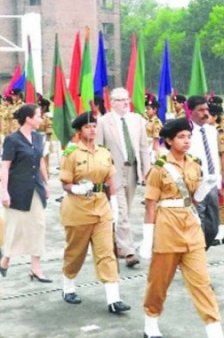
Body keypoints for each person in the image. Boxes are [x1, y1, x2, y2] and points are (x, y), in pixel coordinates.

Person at [140, 118, 224, 338]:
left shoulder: (195, 163)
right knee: (159, 283)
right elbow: (150, 205)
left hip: (191, 228)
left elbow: (194, 200)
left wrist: (205, 186)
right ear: (169, 140)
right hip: (167, 229)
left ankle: (215, 335)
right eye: (181, 137)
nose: (186, 141)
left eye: (188, 136)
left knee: (202, 283)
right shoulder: (159, 169)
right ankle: (151, 324)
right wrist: (147, 240)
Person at [58, 112, 130, 313]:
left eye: (94, 126)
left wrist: (114, 204)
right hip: (78, 210)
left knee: (107, 253)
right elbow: (65, 183)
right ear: (80, 131)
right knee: (75, 253)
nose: (92, 130)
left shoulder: (104, 152)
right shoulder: (71, 154)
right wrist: (75, 189)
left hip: (101, 209)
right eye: (88, 127)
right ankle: (68, 287)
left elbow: (110, 182)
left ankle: (113, 299)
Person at [96, 87, 151, 268]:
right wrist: (103, 175)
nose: (126, 102)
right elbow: (100, 150)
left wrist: (146, 171)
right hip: (114, 173)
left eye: (127, 99)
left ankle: (116, 243)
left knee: (125, 210)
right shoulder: (103, 122)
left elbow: (143, 147)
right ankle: (129, 251)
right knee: (121, 211)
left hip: (132, 170)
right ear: (111, 102)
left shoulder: (137, 120)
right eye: (120, 100)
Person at [0, 105, 49, 282]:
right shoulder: (12, 140)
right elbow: (4, 167)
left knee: (38, 226)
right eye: (38, 116)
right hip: (16, 191)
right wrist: (4, 192)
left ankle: (36, 268)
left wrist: (46, 183)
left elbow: (41, 161)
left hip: (35, 188)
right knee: (16, 229)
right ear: (28, 118)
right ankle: (5, 259)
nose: (41, 119)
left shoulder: (38, 137)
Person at [188, 96, 223, 250]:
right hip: (196, 183)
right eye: (200, 110)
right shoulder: (186, 132)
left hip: (212, 182)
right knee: (198, 223)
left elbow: (216, 155)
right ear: (190, 111)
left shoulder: (211, 130)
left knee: (213, 226)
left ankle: (200, 251)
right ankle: (196, 256)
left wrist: (221, 180)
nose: (205, 113)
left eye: (206, 109)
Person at [208, 103, 224, 246]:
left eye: (208, 115)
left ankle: (221, 232)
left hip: (218, 171)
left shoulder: (219, 133)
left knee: (220, 202)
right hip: (208, 171)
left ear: (215, 117)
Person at [145, 94, 163, 162]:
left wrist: (154, 154)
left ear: (155, 110)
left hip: (151, 150)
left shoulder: (156, 122)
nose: (146, 111)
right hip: (146, 149)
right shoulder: (148, 121)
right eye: (146, 109)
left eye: (148, 109)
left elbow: (156, 140)